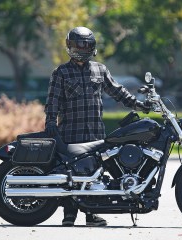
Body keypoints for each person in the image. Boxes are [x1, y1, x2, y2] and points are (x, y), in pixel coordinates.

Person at [44, 26, 150, 227]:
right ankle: (69, 215)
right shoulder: (61, 72)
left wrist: (139, 104)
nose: (83, 48)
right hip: (70, 133)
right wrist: (50, 121)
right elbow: (53, 101)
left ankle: (91, 215)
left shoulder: (100, 69)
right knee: (71, 175)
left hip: (95, 132)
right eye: (79, 45)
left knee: (95, 173)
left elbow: (118, 92)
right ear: (70, 46)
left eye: (87, 45)